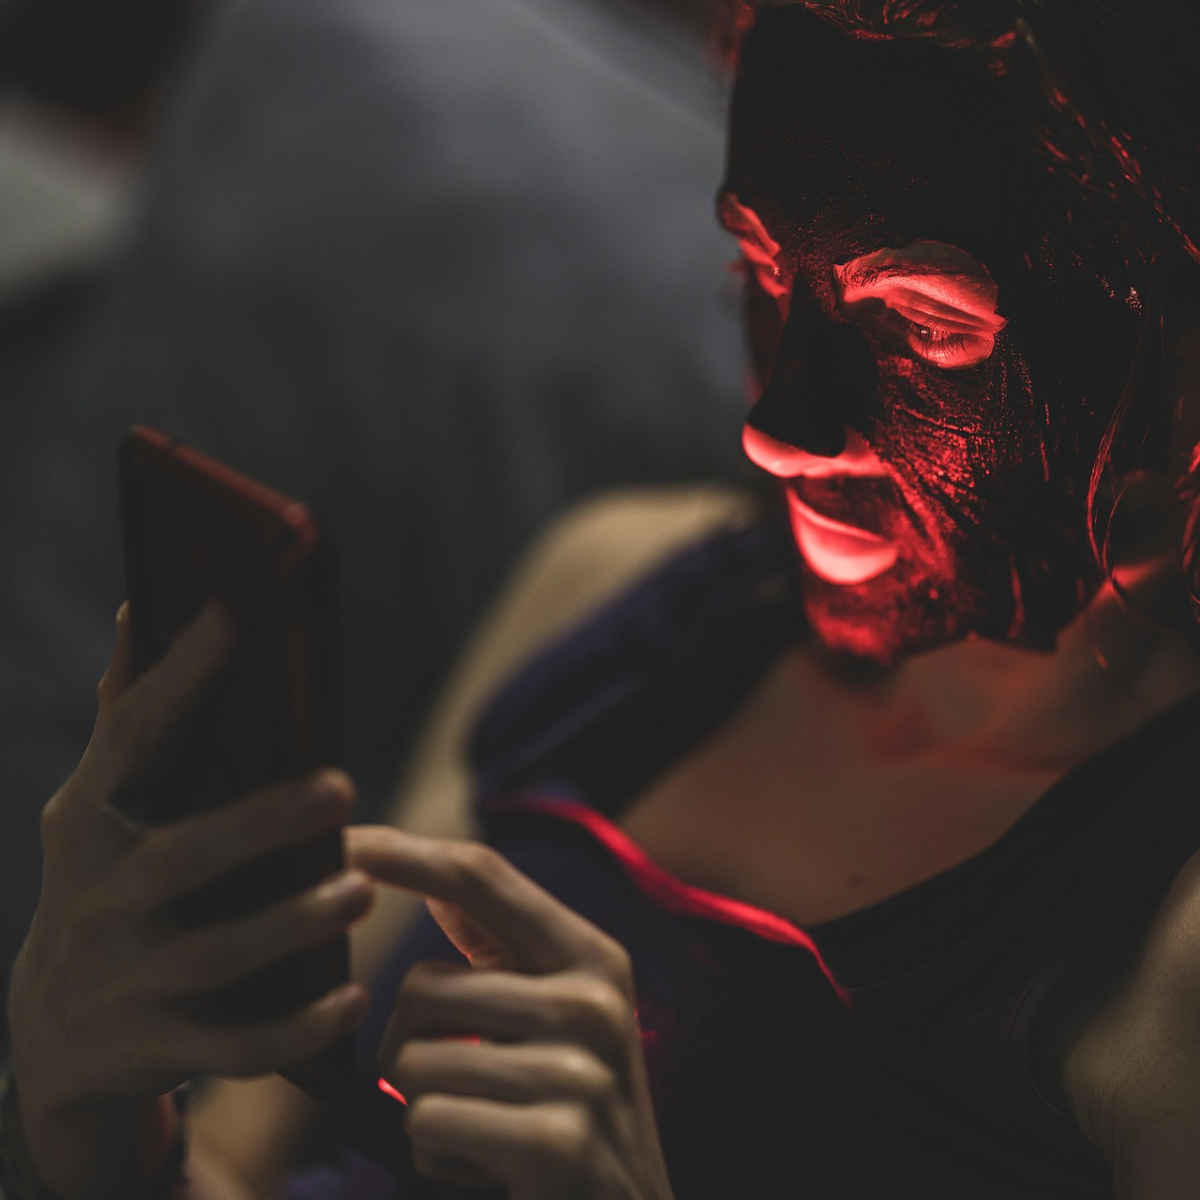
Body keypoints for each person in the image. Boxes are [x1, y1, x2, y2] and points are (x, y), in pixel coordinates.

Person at [7, 1, 1200, 1198]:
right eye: (766, 269)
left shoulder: (1161, 941)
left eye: (926, 326)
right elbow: (239, 1159)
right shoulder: (616, 585)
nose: (776, 428)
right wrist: (99, 1115)